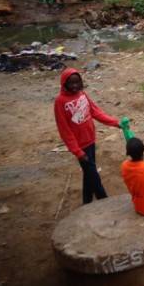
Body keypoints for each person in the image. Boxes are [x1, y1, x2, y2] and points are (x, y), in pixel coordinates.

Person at [54, 68, 120, 204]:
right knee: (93, 175)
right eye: (71, 83)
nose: (75, 86)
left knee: (89, 174)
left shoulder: (82, 94)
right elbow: (64, 130)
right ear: (64, 84)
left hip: (90, 140)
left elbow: (96, 113)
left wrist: (115, 123)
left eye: (77, 82)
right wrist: (77, 151)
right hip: (80, 146)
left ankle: (87, 201)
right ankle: (104, 201)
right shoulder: (60, 102)